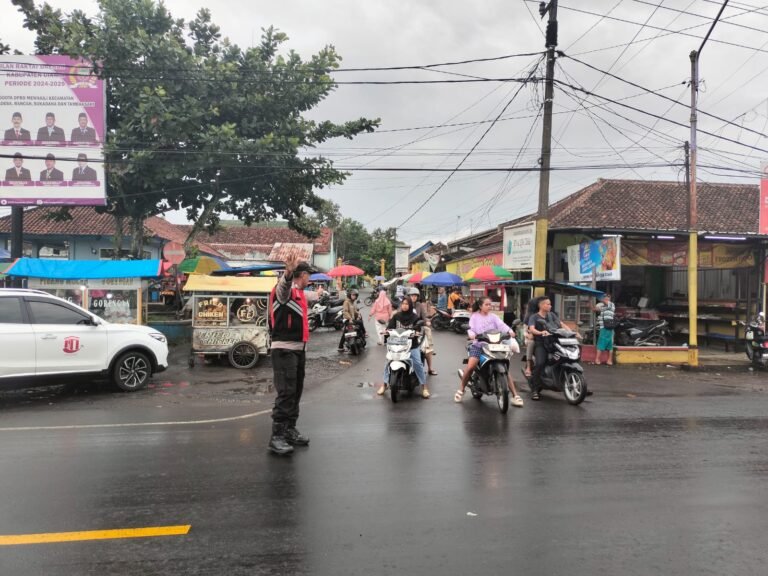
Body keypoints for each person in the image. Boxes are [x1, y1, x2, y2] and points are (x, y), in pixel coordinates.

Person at [267, 255, 318, 456]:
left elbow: (314, 297)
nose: (310, 280)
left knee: (296, 391)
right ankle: (276, 436)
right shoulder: (284, 292)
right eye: (308, 276)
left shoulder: (301, 294)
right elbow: (282, 288)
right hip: (284, 349)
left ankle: (289, 430)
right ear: (302, 275)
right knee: (286, 392)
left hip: (298, 350)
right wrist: (287, 273)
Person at [454, 296, 524, 406]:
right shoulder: (474, 317)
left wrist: (510, 331)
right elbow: (471, 329)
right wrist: (472, 335)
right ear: (481, 306)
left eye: (489, 304)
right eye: (486, 304)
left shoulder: (494, 317)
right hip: (479, 345)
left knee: (505, 369)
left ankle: (515, 396)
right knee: (471, 366)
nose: (489, 306)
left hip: (495, 345)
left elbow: (502, 326)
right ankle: (461, 389)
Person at [378, 297, 429, 398]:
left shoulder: (414, 317)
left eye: (407, 304)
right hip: (397, 344)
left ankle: (424, 387)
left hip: (411, 345)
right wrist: (386, 331)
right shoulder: (396, 316)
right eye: (403, 304)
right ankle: (384, 384)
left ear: (410, 305)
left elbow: (418, 328)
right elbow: (390, 327)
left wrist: (417, 332)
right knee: (388, 361)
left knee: (418, 363)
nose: (405, 306)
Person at [527, 297, 566, 401]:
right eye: (548, 304)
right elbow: (532, 329)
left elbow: (561, 324)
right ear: (541, 305)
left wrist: (573, 332)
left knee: (567, 358)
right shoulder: (534, 317)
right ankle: (535, 390)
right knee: (540, 363)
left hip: (555, 342)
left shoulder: (552, 315)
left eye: (550, 304)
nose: (550, 306)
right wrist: (541, 332)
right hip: (541, 343)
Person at [408, 286, 437, 377]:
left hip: (418, 330)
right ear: (409, 296)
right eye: (412, 295)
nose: (414, 297)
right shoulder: (404, 304)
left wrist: (427, 321)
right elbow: (398, 314)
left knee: (427, 349)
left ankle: (430, 368)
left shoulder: (419, 305)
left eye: (415, 296)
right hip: (406, 331)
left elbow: (424, 316)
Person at [592, 293, 616, 366]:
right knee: (609, 344)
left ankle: (598, 359)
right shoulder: (603, 307)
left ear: (609, 299)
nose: (606, 299)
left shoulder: (611, 305)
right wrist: (590, 302)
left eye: (607, 298)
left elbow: (605, 302)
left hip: (606, 328)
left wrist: (599, 296)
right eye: (605, 298)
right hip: (605, 328)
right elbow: (594, 309)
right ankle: (608, 360)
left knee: (602, 344)